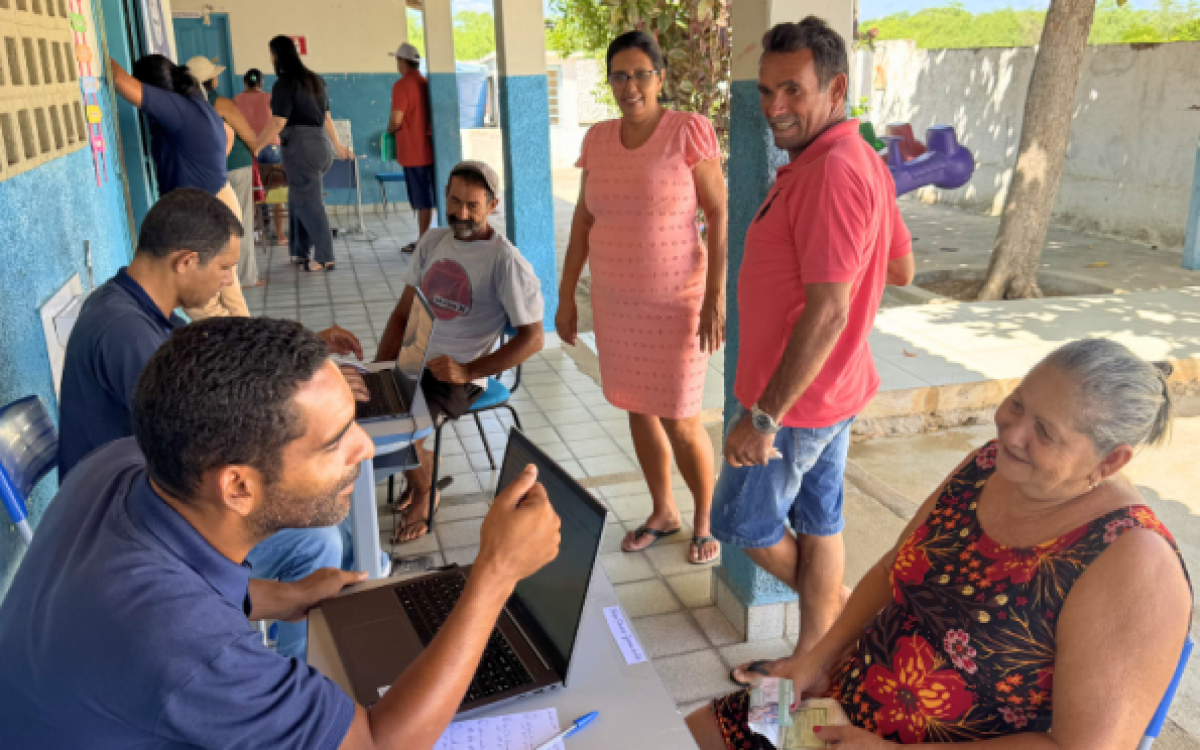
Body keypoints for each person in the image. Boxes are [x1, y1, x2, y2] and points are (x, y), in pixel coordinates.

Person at [0, 317, 562, 749]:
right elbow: (375, 743)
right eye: (335, 440)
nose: (365, 449)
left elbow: (181, 590)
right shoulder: (193, 649)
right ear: (238, 487)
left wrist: (283, 597)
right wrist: (494, 576)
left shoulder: (121, 463)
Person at [690, 339, 1192, 748]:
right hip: (838, 708)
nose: (1011, 431)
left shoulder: (1132, 562)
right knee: (679, 735)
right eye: (1017, 402)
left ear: (1110, 462)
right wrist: (816, 659)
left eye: (1043, 431)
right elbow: (894, 568)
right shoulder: (988, 465)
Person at [55, 188, 367, 661]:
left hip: (136, 507)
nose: (226, 283)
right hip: (138, 530)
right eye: (224, 268)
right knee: (316, 534)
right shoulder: (128, 334)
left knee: (330, 520)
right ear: (185, 261)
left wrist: (302, 367)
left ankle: (343, 613)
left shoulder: (129, 304)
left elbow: (220, 360)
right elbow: (215, 424)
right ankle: (299, 669)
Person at [709, 16, 915, 653]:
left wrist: (764, 418)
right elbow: (901, 267)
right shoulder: (856, 157)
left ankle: (846, 623)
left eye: (793, 90)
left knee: (738, 519)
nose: (775, 107)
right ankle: (817, 659)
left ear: (836, 89)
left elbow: (828, 311)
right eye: (768, 91)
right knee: (821, 523)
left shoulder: (831, 172)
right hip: (833, 392)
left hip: (794, 406)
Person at [557, 31, 729, 565]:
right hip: (617, 303)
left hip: (677, 300)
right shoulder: (599, 139)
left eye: (640, 74)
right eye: (619, 75)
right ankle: (663, 510)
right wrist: (566, 296)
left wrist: (715, 296)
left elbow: (719, 214)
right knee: (636, 407)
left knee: (680, 416)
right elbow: (585, 220)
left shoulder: (688, 132)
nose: (630, 86)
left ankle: (704, 518)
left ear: (659, 77)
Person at [376, 160, 545, 542]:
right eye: (455, 201)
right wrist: (379, 368)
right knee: (369, 410)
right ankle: (423, 467)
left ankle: (426, 487)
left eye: (473, 205)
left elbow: (533, 338)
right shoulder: (433, 241)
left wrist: (468, 371)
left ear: (492, 206)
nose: (462, 213)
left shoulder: (505, 262)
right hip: (412, 359)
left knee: (400, 429)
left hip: (456, 376)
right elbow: (403, 314)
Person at [110, 54, 250, 318]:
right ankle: (255, 353)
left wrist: (86, 46)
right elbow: (228, 134)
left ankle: (227, 355)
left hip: (202, 214)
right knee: (229, 294)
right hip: (221, 199)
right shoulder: (200, 104)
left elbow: (119, 80)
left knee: (201, 303)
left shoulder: (177, 109)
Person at [252, 35, 353, 273]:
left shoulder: (284, 84)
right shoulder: (315, 80)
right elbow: (327, 117)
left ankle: (325, 256)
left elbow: (278, 123)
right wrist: (337, 146)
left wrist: (256, 146)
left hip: (301, 148)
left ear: (276, 55)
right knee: (298, 198)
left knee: (309, 202)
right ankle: (299, 250)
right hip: (321, 146)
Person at [189, 56, 263, 288]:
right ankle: (245, 277)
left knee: (214, 224)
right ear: (212, 80)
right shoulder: (221, 103)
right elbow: (249, 136)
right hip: (234, 167)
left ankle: (218, 276)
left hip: (203, 172)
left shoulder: (187, 104)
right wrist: (258, 152)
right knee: (240, 222)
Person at [387, 41, 436, 253]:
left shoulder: (401, 85)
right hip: (429, 150)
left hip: (412, 152)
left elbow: (396, 119)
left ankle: (423, 242)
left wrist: (388, 131)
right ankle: (424, 239)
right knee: (427, 198)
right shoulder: (425, 83)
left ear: (402, 62)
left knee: (421, 199)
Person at [235, 67, 289, 247]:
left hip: (249, 149)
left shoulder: (236, 101)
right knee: (277, 191)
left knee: (253, 194)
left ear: (245, 82)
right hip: (272, 148)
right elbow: (280, 121)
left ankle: (256, 234)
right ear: (261, 83)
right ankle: (281, 235)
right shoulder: (269, 98)